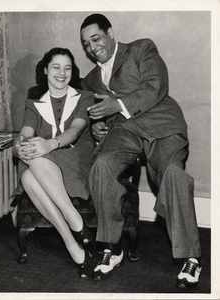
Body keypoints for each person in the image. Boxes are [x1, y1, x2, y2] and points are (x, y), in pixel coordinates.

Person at [80, 13, 202, 289]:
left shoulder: (141, 48)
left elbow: (155, 85)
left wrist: (117, 106)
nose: (91, 47)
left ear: (110, 33)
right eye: (86, 44)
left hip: (162, 124)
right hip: (123, 132)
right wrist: (96, 126)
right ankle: (112, 247)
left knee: (173, 175)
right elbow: (91, 115)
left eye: (95, 38)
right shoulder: (89, 80)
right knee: (102, 165)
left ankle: (190, 257)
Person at [12, 47, 96, 278]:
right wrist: (19, 146)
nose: (62, 73)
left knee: (32, 169)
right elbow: (26, 133)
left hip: (76, 157)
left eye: (67, 68)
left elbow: (76, 130)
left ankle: (74, 221)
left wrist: (50, 144)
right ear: (46, 70)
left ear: (72, 72)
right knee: (30, 168)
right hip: (43, 163)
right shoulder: (33, 104)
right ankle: (72, 240)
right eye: (56, 67)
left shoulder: (84, 97)